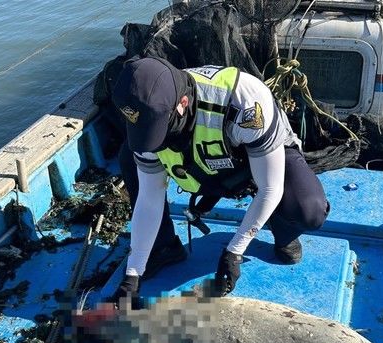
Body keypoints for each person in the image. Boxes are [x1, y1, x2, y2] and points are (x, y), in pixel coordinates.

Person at [111, 57, 329, 299]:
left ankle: (283, 232)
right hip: (201, 167)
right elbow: (149, 198)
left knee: (309, 210)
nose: (154, 141)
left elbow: (270, 187)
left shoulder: (246, 101)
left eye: (159, 128)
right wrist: (133, 273)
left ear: (183, 103)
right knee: (129, 157)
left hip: (253, 161)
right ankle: (162, 247)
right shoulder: (147, 112)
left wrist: (235, 251)